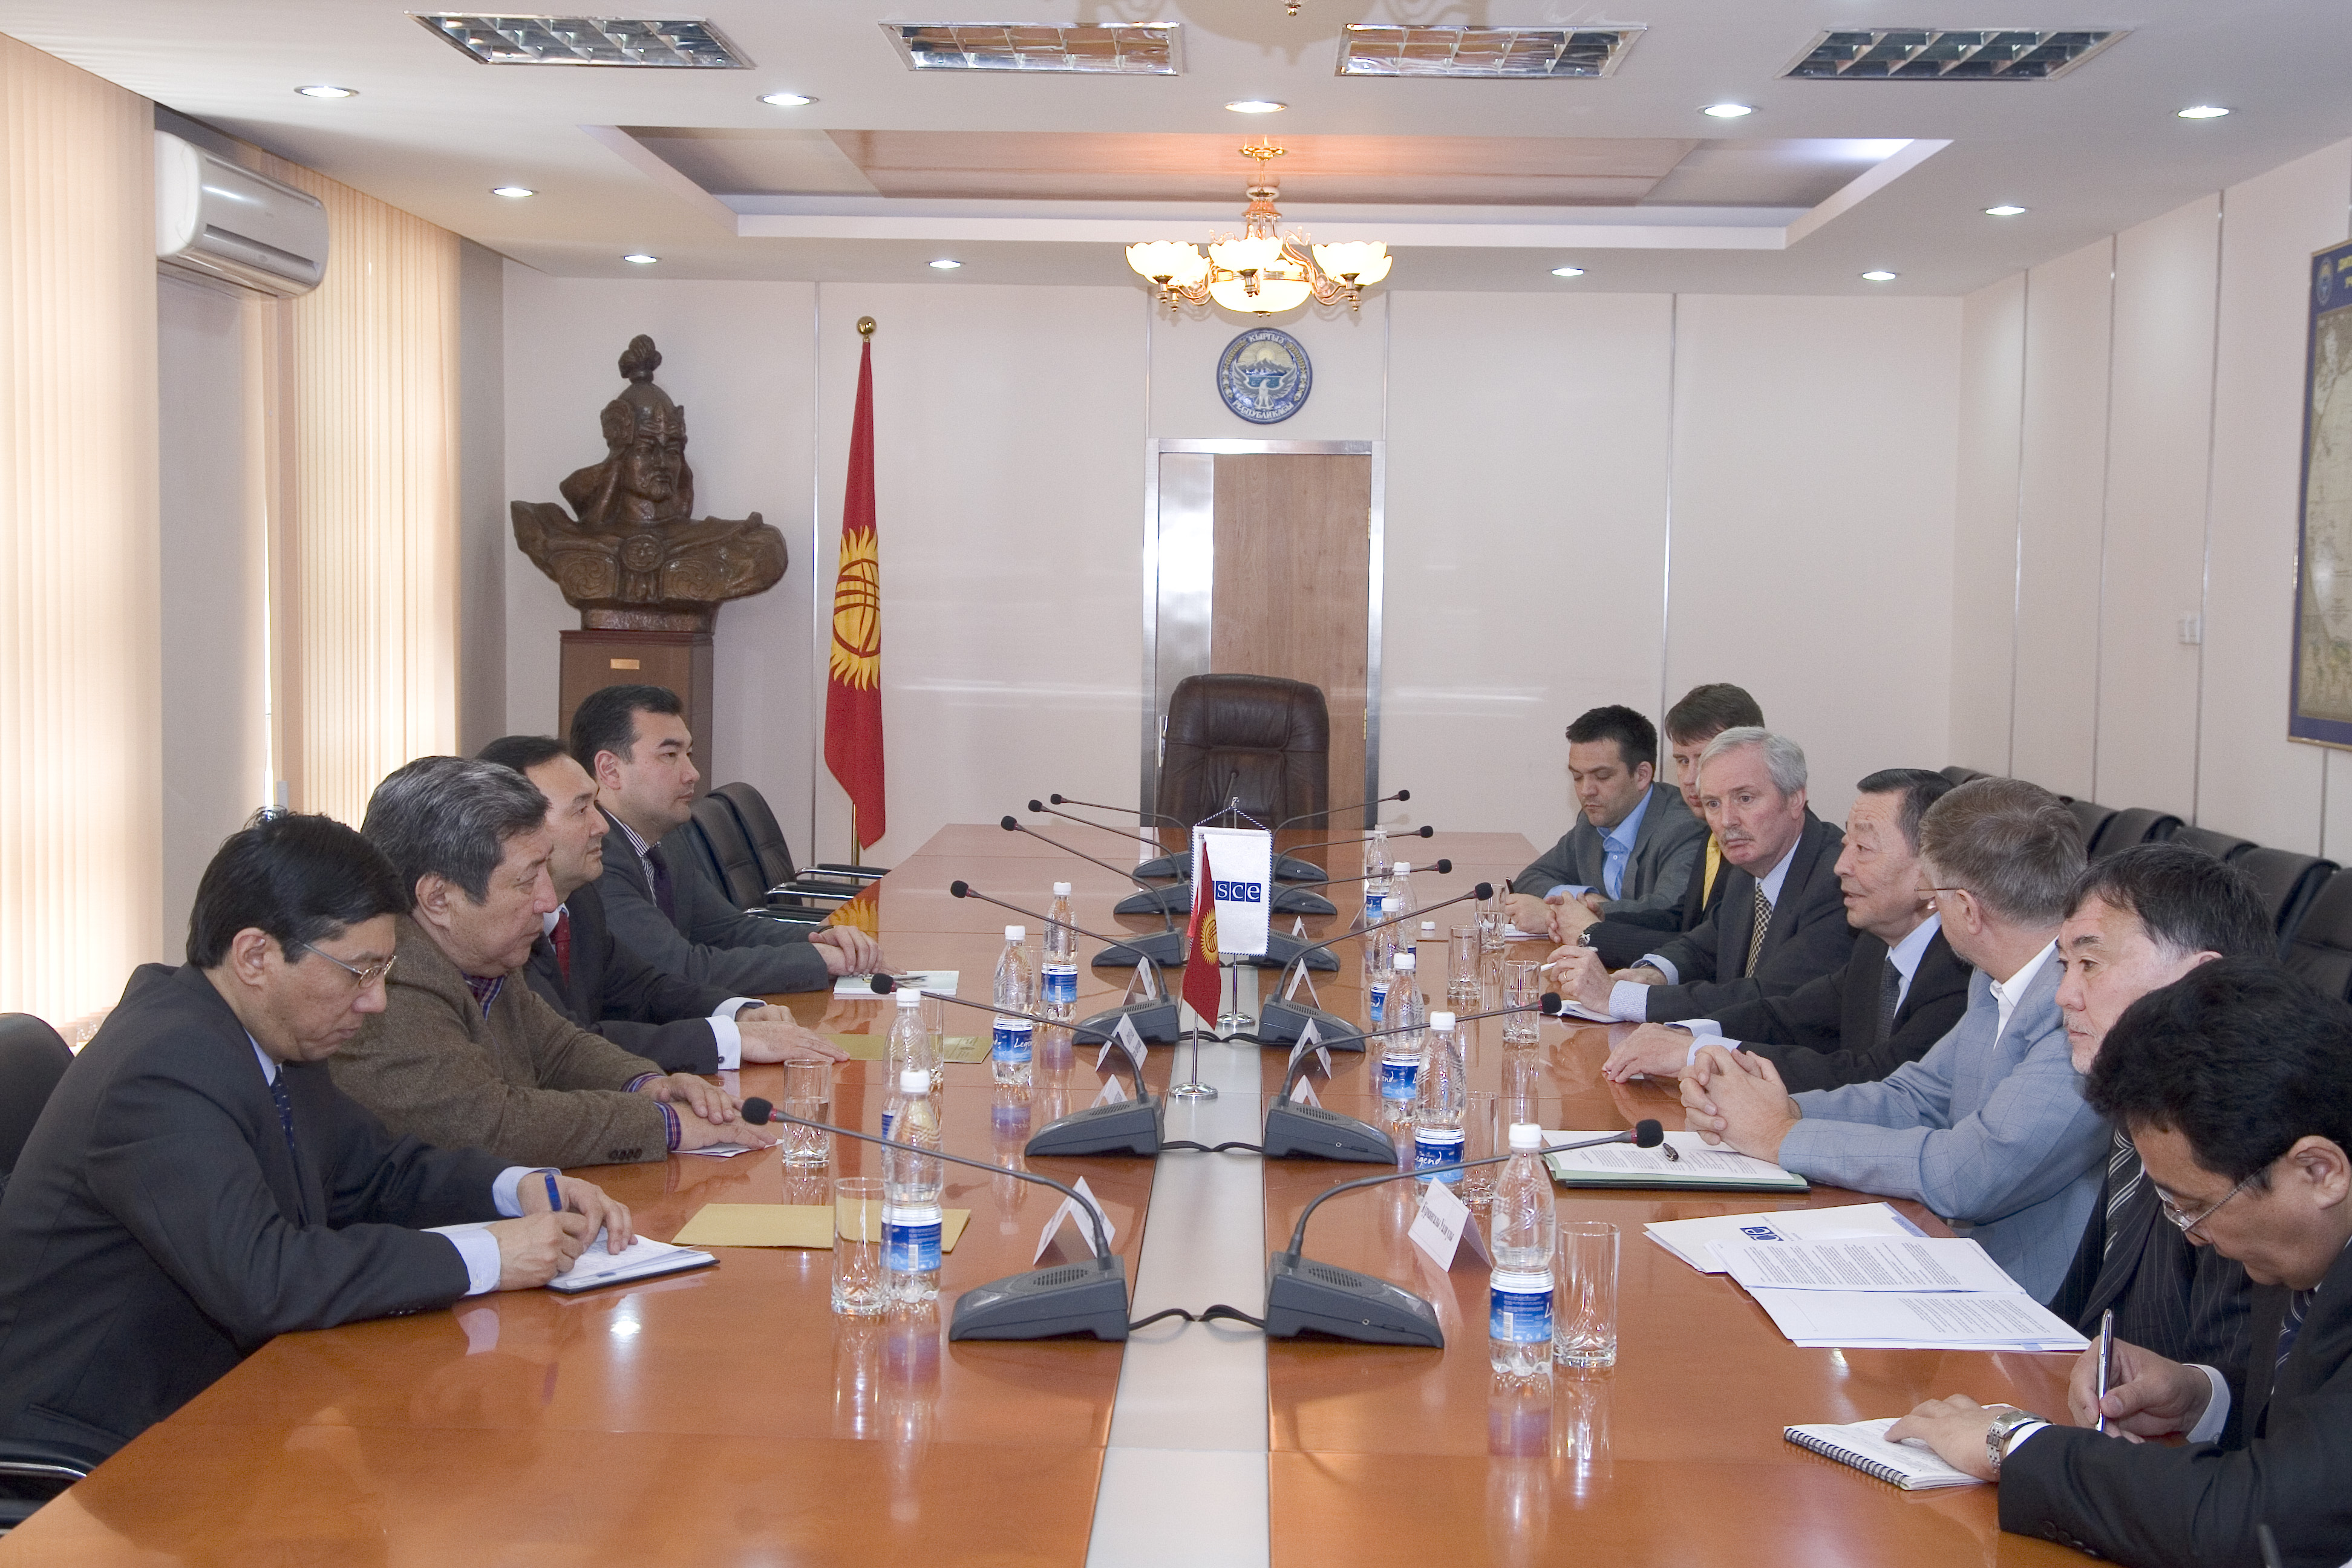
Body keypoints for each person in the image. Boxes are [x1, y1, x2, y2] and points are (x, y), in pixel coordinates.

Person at [0, 812, 631, 1465]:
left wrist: (517, 1188)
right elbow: (263, 1279)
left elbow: (374, 1170)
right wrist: (490, 1256)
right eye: (359, 971)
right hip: (90, 1441)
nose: (376, 1001)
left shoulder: (268, 1033)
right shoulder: (161, 1069)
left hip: (217, 1400)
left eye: (383, 969)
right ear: (255, 956)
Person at [1887, 961, 2352, 1568]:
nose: (2193, 1237)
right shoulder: (2298, 1230)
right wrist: (2204, 1397)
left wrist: (2017, 1444)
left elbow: (2259, 1522)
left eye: (2197, 1208)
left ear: (2320, 1171)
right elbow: (2320, 1440)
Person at [1679, 776, 2103, 1301]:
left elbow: (1969, 1174)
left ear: (1967, 910)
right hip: (1948, 1258)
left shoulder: (2080, 1011)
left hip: (2025, 1306)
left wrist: (1780, 1136)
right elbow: (1916, 1097)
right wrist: (1779, 1109)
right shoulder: (1994, 978)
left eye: (1934, 895)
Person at [328, 757, 770, 1167]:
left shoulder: (481, 954)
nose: (546, 900)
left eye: (546, 870)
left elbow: (558, 1048)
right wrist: (665, 1124)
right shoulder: (387, 981)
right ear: (438, 898)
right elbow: (489, 1126)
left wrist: (648, 1085)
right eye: (527, 881)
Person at [2042, 844, 2275, 1431]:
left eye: (2089, 963)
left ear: (2200, 979)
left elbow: (2244, 1396)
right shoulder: (2142, 1109)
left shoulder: (2242, 1140)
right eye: (2064, 965)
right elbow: (2084, 1314)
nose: (2065, 994)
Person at [476, 734, 846, 1076]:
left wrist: (738, 1012)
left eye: (595, 804)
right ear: (516, 832)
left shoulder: (580, 899)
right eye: (580, 810)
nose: (601, 825)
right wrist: (728, 1039)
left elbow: (645, 989)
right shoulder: (500, 931)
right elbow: (570, 1048)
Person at [1602, 768, 1971, 1090]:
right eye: (1847, 844)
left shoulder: (1959, 971)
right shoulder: (1877, 943)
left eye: (1863, 848)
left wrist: (1699, 1053)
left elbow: (1878, 1078)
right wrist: (1687, 1033)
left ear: (1930, 871)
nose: (1841, 866)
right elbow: (1789, 1016)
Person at [572, 685, 883, 995]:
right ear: (610, 770)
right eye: (669, 755)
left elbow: (728, 930)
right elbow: (680, 969)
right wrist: (815, 961)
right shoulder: (596, 859)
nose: (692, 774)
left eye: (688, 754)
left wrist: (820, 938)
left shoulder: (667, 839)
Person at [1547, 727, 1854, 1023]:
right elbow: (1707, 945)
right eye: (1713, 804)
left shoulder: (1836, 881)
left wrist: (1620, 998)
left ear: (1795, 799)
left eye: (1745, 799)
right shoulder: (1751, 862)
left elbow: (1767, 997)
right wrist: (1652, 974)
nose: (1727, 821)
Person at [1578, 682, 1763, 969]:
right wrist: (1599, 915)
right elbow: (1683, 920)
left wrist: (1591, 934)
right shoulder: (1712, 833)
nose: (1689, 778)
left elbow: (1717, 955)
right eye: (1682, 761)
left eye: (1704, 759)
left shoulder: (1753, 842)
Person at [1503, 704, 1705, 947]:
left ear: (1642, 775)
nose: (1586, 791)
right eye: (1578, 777)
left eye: (1602, 776)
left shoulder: (1684, 826)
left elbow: (1669, 910)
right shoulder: (1592, 820)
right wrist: (1587, 898)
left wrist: (1559, 914)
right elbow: (1531, 878)